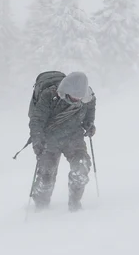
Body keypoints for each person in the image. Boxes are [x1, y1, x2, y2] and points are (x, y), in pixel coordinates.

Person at [28, 70, 96, 211]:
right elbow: (37, 120)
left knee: (81, 167)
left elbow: (90, 110)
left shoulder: (87, 97)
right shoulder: (49, 96)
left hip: (73, 136)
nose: (78, 99)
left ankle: (75, 205)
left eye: (80, 96)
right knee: (46, 174)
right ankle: (40, 207)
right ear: (67, 90)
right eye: (74, 95)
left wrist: (89, 124)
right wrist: (37, 140)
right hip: (49, 139)